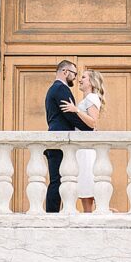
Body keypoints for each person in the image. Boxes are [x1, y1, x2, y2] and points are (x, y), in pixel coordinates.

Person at [43, 60, 91, 213]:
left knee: (59, 180)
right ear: (65, 72)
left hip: (57, 139)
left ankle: (55, 213)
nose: (75, 78)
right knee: (58, 181)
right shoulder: (60, 89)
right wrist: (89, 128)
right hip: (59, 140)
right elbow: (70, 115)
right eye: (74, 74)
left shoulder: (54, 89)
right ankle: (52, 216)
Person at [60, 69, 106, 212]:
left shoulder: (92, 98)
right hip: (81, 148)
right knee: (83, 184)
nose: (80, 79)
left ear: (91, 82)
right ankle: (88, 215)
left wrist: (76, 110)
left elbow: (93, 123)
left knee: (86, 184)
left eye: (84, 77)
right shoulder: (86, 99)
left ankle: (89, 215)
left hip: (86, 150)